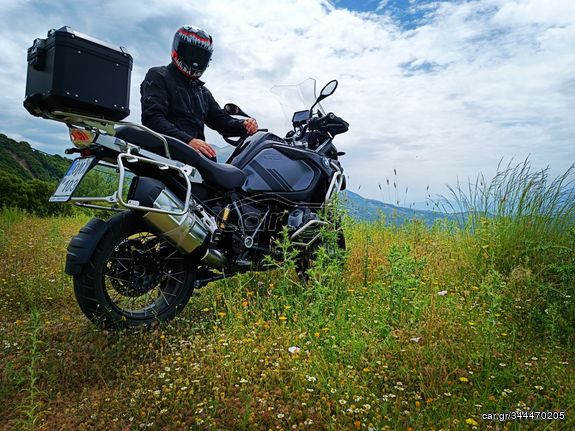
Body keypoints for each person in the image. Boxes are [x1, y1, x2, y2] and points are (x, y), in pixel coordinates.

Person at [140, 25, 258, 161]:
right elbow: (153, 118)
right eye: (191, 53)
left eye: (201, 56)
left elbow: (221, 121)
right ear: (178, 50)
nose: (196, 61)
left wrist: (244, 125)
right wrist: (187, 140)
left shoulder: (201, 91)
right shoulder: (158, 76)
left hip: (195, 158)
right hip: (166, 154)